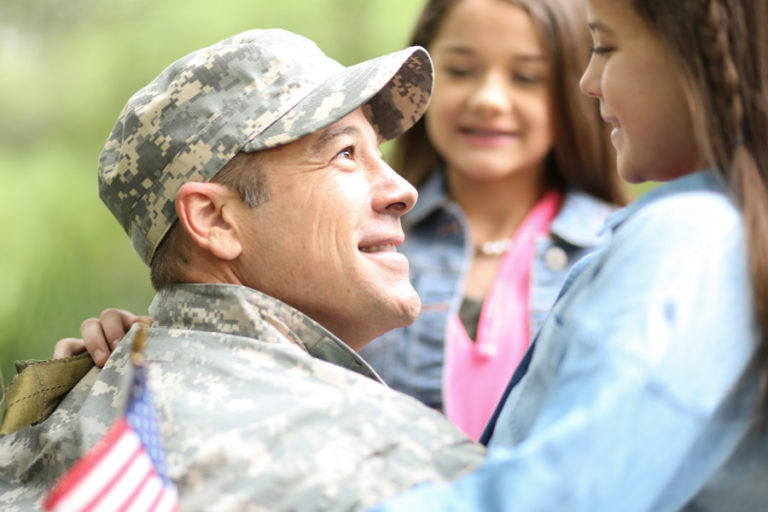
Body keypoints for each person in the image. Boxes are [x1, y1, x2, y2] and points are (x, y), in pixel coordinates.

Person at [53, 0, 630, 442]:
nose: (489, 99)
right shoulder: (350, 250)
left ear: (580, 89)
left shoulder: (626, 251)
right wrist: (166, 347)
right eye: (346, 153)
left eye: (526, 77)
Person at [0, 29, 486, 511]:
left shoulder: (53, 417)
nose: (402, 190)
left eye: (379, 153)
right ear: (214, 220)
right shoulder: (387, 456)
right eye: (345, 155)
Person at [372, 0, 768, 509]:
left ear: (699, 55)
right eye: (461, 69)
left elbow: (567, 492)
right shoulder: (715, 234)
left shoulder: (690, 235)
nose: (588, 80)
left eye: (604, 46)